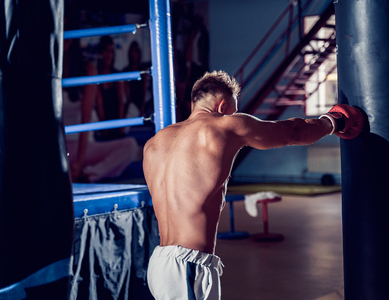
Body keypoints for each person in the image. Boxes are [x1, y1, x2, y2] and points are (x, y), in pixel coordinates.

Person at [142, 70, 364, 299]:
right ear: (222, 106)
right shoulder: (224, 126)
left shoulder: (154, 144)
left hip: (159, 264)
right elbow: (293, 132)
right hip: (189, 267)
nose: (233, 115)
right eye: (233, 110)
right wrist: (334, 122)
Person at [63, 37, 140, 183]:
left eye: (111, 51)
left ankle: (88, 174)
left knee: (130, 146)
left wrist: (79, 163)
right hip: (60, 148)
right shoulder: (50, 69)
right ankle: (75, 172)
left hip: (83, 146)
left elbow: (86, 120)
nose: (109, 55)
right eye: (106, 51)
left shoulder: (88, 69)